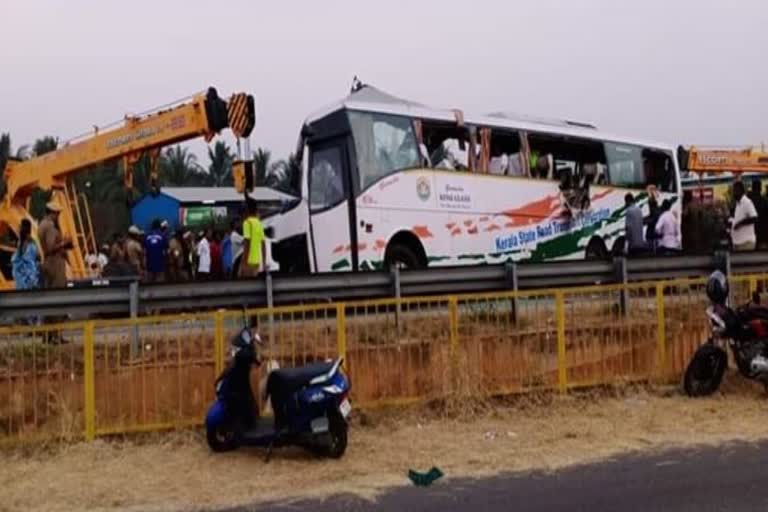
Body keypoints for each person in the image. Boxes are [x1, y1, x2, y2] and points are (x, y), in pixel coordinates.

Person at [38, 201, 72, 289]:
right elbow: (50, 248)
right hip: (55, 263)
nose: (58, 216)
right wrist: (64, 243)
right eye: (57, 214)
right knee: (58, 291)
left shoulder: (42, 224)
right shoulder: (50, 226)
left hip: (47, 262)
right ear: (53, 213)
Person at [11, 219, 40, 291]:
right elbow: (37, 257)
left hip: (24, 275)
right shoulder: (31, 241)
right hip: (30, 274)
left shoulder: (23, 242)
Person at [240, 200, 265, 278]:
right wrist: (263, 262)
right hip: (257, 261)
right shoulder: (259, 223)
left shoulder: (247, 222)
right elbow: (263, 244)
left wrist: (243, 263)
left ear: (247, 210)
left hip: (248, 262)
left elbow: (247, 243)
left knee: (245, 286)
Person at [731, 181, 758, 252]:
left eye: (734, 190)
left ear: (740, 191)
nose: (733, 193)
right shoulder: (737, 204)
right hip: (738, 242)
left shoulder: (747, 202)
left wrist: (740, 223)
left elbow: (754, 217)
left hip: (746, 243)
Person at [144, 219, 168, 283]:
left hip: (149, 265)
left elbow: (144, 250)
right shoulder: (163, 236)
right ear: (159, 226)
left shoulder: (146, 236)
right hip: (160, 265)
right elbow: (166, 249)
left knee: (150, 284)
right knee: (160, 284)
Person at [748, 180, 767, 249]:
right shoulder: (764, 201)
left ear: (752, 188)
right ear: (760, 189)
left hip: (749, 234)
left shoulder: (747, 201)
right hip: (762, 234)